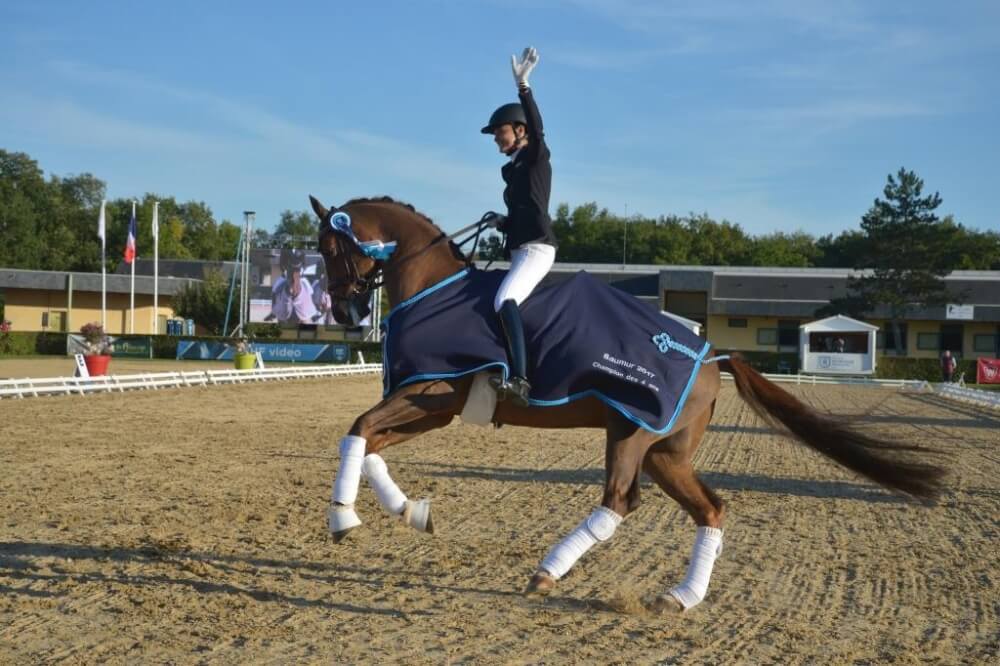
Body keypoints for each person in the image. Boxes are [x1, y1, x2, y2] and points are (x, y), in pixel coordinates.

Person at [480, 46, 558, 407]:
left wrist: (523, 87)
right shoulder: (512, 168)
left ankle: (521, 380)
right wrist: (503, 221)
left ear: (520, 129)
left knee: (504, 299)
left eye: (501, 132)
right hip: (518, 246)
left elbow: (539, 130)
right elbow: (523, 209)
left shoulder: (536, 153)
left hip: (536, 248)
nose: (497, 137)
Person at [267, 249, 318, 323]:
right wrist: (284, 270)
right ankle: (273, 312)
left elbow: (304, 263)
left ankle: (313, 312)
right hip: (286, 274)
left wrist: (302, 270)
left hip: (299, 273)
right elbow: (282, 263)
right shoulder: (285, 250)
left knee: (310, 289)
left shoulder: (301, 251)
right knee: (275, 288)